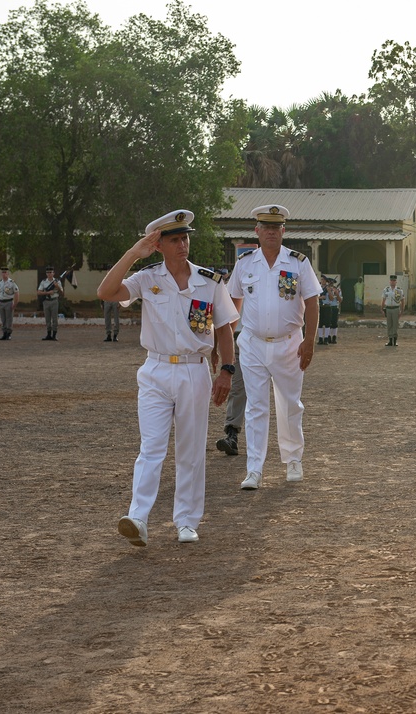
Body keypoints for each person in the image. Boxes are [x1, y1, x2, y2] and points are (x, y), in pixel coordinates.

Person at [98, 209, 238, 546]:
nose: (182, 244)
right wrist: (134, 253)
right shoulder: (147, 278)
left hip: (194, 369)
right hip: (156, 370)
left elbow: (224, 329)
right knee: (151, 448)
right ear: (158, 245)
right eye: (174, 239)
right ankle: (138, 517)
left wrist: (227, 371)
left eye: (185, 237)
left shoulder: (209, 281)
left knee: (190, 449)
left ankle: (187, 521)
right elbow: (106, 292)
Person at [230, 205, 321, 490]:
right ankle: (254, 469)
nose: (271, 232)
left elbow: (313, 301)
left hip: (289, 344)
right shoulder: (245, 263)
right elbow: (233, 301)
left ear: (283, 231)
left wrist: (310, 340)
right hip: (253, 343)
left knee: (290, 404)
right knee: (255, 407)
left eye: (276, 227)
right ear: (256, 231)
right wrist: (228, 337)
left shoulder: (298, 262)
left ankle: (293, 459)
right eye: (265, 228)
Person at [215, 305, 246, 457]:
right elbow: (220, 318)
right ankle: (232, 435)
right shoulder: (224, 283)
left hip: (273, 340)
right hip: (238, 339)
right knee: (237, 388)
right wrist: (215, 348)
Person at [37, 266, 63, 340]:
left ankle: (54, 335)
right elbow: (39, 292)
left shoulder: (57, 281)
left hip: (54, 301)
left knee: (55, 319)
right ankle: (48, 334)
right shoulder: (43, 281)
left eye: (50, 272)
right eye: (47, 272)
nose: (49, 274)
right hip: (46, 301)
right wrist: (47, 292)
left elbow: (61, 292)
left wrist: (57, 286)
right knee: (47, 319)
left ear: (53, 273)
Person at [381, 274, 404, 346]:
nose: (393, 282)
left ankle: (395, 340)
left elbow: (403, 301)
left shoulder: (399, 290)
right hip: (388, 309)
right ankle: (390, 340)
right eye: (391, 280)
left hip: (396, 309)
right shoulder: (386, 289)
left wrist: (402, 310)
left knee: (395, 325)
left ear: (396, 282)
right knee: (389, 325)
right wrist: (382, 309)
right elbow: (383, 300)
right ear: (389, 281)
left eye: (394, 281)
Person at [0, 267, 18, 340]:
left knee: (9, 319)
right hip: (1, 302)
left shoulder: (12, 282)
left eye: (5, 272)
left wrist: (15, 303)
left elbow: (16, 293)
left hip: (9, 302)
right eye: (2, 272)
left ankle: (9, 333)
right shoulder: (0, 282)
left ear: (8, 274)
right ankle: (4, 333)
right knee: (3, 319)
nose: (4, 274)